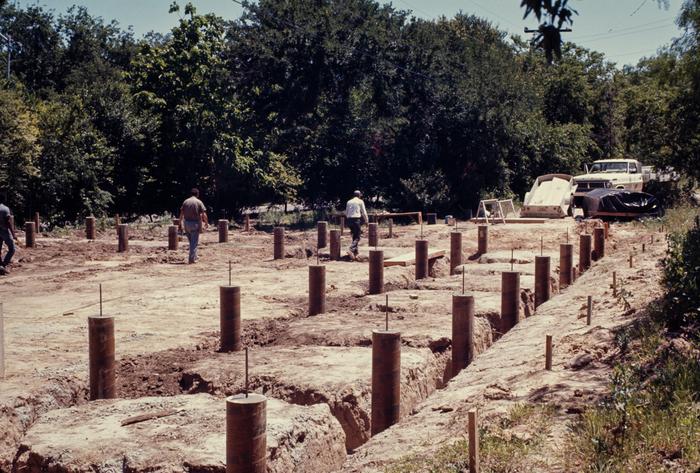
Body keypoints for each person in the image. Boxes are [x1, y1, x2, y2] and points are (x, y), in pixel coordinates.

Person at [178, 188, 209, 264]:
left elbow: (181, 214)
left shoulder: (186, 201)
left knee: (191, 242)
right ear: (197, 194)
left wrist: (180, 223)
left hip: (186, 224)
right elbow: (204, 214)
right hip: (194, 224)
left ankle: (194, 256)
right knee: (194, 243)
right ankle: (192, 259)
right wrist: (206, 223)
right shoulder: (199, 202)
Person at [345, 190, 368, 260]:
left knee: (354, 236)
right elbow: (364, 212)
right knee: (357, 237)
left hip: (349, 220)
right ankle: (351, 249)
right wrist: (366, 221)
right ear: (359, 195)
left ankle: (355, 253)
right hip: (356, 220)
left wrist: (348, 220)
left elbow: (346, 212)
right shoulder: (360, 201)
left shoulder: (349, 201)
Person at [0, 196, 18, 274]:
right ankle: (4, 264)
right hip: (4, 231)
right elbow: (8, 222)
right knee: (12, 249)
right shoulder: (5, 209)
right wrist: (13, 234)